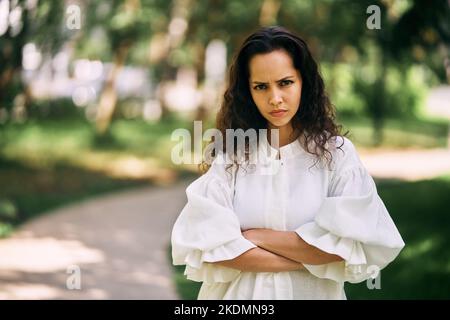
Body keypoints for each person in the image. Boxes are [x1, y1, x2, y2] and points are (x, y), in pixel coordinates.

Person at [171, 26, 405, 299]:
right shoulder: (231, 156)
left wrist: (254, 237)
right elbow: (209, 247)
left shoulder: (338, 155)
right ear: (248, 92)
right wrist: (313, 258)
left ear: (304, 82)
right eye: (261, 86)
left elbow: (350, 244)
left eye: (285, 82)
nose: (275, 99)